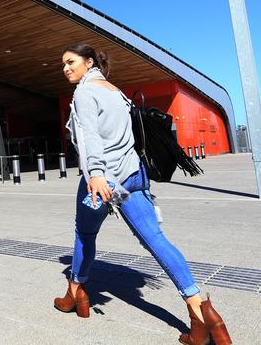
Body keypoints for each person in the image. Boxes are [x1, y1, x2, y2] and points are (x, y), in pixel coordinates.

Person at [55, 44, 231, 345]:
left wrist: (95, 174)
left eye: (71, 62)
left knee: (84, 234)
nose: (66, 68)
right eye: (63, 64)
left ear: (88, 62)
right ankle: (200, 311)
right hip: (133, 178)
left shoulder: (84, 92)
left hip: (105, 182)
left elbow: (90, 136)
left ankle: (76, 292)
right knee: (156, 240)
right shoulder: (115, 91)